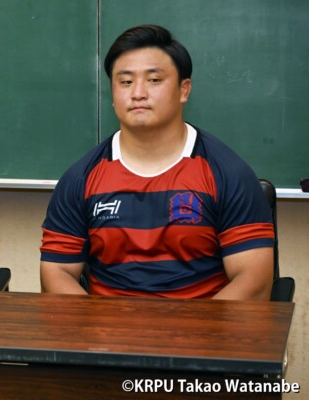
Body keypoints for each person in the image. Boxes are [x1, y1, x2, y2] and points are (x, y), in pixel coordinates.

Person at [40, 25, 274, 300]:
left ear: (184, 90)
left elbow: (254, 280)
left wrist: (200, 327)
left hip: (203, 323)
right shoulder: (81, 178)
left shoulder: (227, 173)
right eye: (125, 82)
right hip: (108, 324)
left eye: (153, 80)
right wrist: (92, 324)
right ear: (112, 94)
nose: (138, 93)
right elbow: (57, 272)